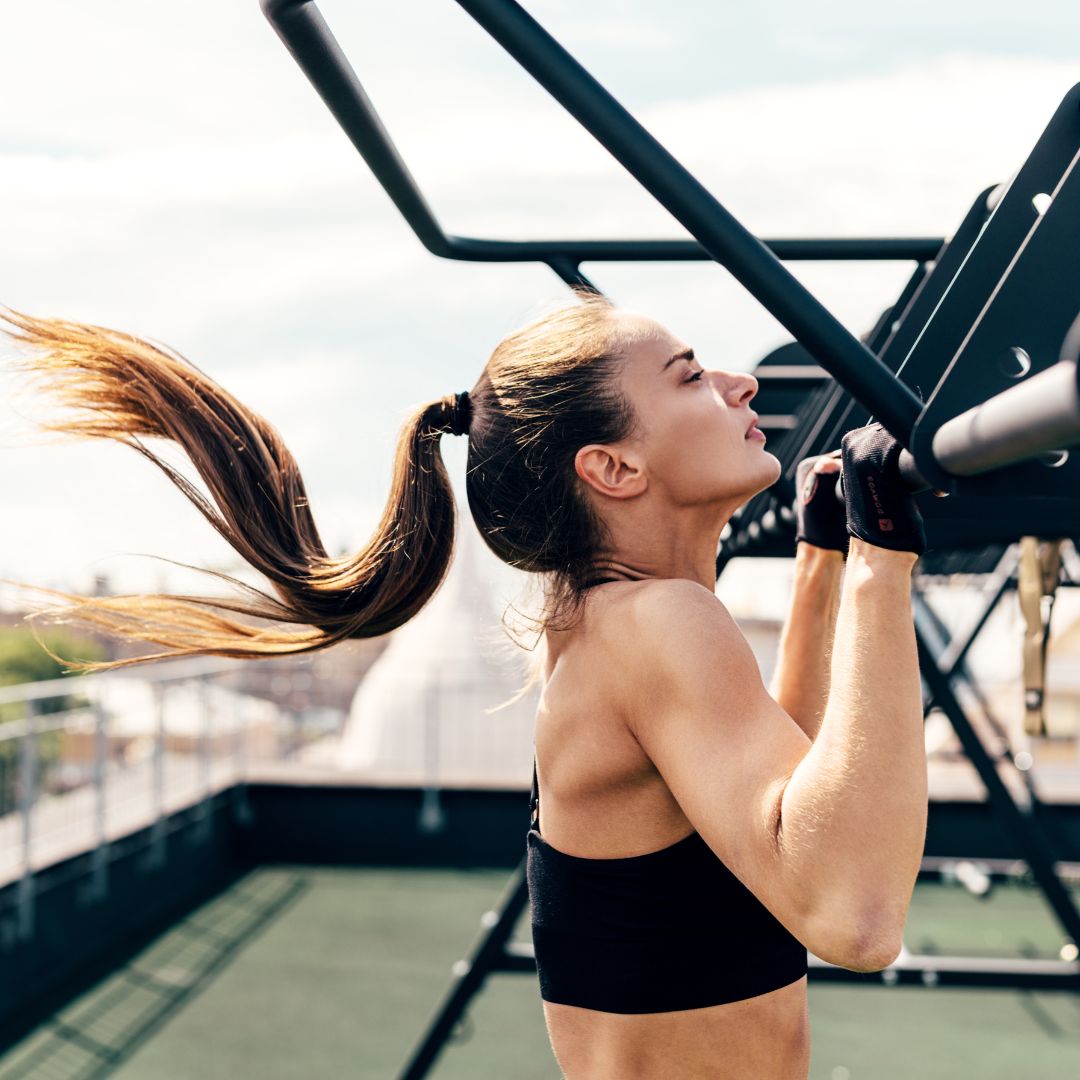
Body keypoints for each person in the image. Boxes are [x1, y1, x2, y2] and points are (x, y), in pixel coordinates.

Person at [0, 290, 928, 1078]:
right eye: (691, 377)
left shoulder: (616, 625)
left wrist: (823, 566)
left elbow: (781, 833)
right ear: (612, 467)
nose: (742, 384)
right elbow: (852, 913)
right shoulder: (659, 625)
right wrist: (883, 569)